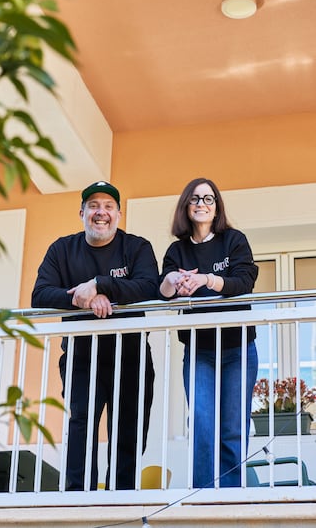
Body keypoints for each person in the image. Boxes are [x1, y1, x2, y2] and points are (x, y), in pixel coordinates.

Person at [31, 181, 158, 490]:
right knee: (81, 424)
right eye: (94, 206)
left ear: (118, 213)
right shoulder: (62, 249)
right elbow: (41, 295)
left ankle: (121, 497)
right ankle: (77, 498)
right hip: (82, 356)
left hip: (131, 355)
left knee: (128, 427)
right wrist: (84, 297)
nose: (101, 213)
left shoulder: (136, 247)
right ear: (82, 213)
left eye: (108, 207)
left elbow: (149, 287)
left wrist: (101, 285)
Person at [159, 177, 258, 488]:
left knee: (232, 429)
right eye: (195, 199)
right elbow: (162, 291)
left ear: (216, 208)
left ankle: (229, 498)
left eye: (208, 199)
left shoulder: (234, 240)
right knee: (202, 425)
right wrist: (174, 279)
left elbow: (244, 281)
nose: (202, 204)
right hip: (200, 351)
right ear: (186, 207)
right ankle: (203, 497)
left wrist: (206, 280)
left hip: (238, 348)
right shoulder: (177, 250)